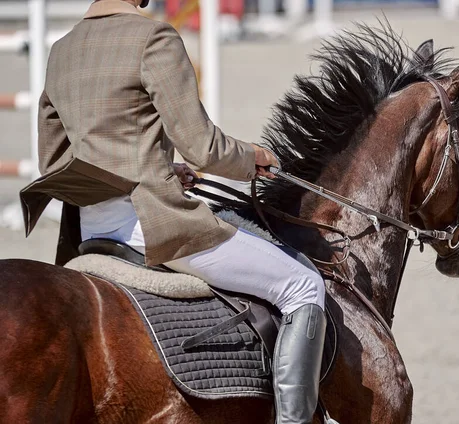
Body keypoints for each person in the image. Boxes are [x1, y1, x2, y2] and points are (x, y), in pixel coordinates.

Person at [20, 1, 326, 423]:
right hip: (155, 225)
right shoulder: (153, 37)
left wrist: (161, 168)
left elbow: (54, 162)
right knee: (304, 286)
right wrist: (252, 155)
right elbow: (203, 147)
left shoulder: (63, 49)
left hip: (90, 229)